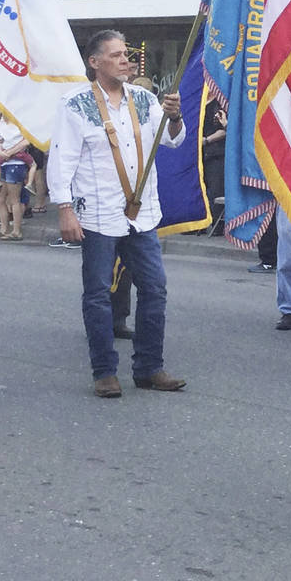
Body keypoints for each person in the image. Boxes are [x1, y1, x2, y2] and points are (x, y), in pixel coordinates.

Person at [49, 29, 189, 398]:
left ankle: (148, 367)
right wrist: (64, 209)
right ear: (94, 62)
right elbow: (62, 159)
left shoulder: (144, 98)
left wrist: (174, 117)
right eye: (116, 55)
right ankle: (104, 371)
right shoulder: (75, 103)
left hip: (141, 214)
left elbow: (172, 139)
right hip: (97, 213)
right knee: (97, 292)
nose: (126, 60)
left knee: (154, 288)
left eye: (127, 54)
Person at [0, 119, 31, 240]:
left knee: (14, 198)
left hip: (16, 162)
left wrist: (9, 152)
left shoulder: (20, 123)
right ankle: (3, 229)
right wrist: (0, 150)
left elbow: (27, 141)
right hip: (2, 162)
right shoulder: (1, 124)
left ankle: (16, 231)